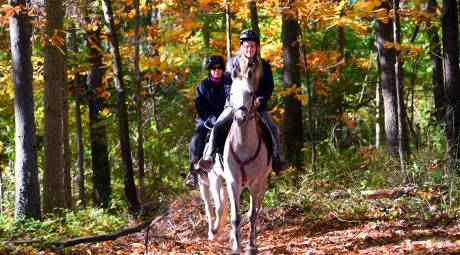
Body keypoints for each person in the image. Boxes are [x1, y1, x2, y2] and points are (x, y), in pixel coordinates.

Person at [199, 29, 289, 174]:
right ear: (242, 47)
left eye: (252, 46)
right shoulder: (232, 63)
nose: (249, 49)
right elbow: (227, 85)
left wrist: (260, 99)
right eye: (246, 46)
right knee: (218, 125)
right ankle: (209, 158)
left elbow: (268, 87)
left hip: (257, 107)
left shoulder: (264, 65)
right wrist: (235, 102)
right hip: (235, 106)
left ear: (256, 47)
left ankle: (276, 160)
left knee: (273, 127)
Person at [185, 55, 231, 188]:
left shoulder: (229, 84)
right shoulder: (203, 85)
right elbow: (200, 106)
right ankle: (193, 172)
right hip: (207, 120)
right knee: (195, 140)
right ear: (209, 69)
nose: (216, 70)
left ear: (222, 69)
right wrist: (211, 118)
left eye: (219, 68)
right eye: (213, 68)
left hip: (227, 118)